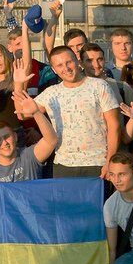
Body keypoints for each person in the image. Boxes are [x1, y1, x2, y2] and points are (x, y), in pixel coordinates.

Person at [34, 45, 120, 178]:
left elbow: (114, 126)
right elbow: (23, 113)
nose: (66, 68)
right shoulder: (51, 93)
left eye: (69, 62)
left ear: (77, 61)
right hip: (63, 165)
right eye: (60, 65)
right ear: (54, 70)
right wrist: (18, 83)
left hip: (97, 163)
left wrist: (110, 161)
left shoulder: (99, 86)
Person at [0, 84, 59, 182]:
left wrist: (36, 113)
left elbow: (51, 141)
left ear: (15, 137)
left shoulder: (29, 156)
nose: (4, 142)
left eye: (7, 136)